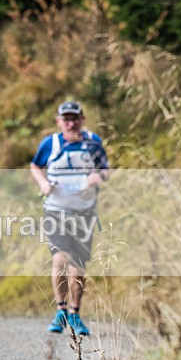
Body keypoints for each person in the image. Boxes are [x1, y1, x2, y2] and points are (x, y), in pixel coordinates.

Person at [30, 101, 110, 337]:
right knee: (60, 259)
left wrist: (98, 176)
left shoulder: (93, 142)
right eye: (66, 119)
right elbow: (35, 165)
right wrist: (43, 183)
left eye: (75, 118)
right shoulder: (51, 143)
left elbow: (105, 168)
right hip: (55, 210)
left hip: (84, 212)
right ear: (59, 122)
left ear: (82, 119)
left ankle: (75, 313)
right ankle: (60, 310)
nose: (71, 123)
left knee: (78, 269)